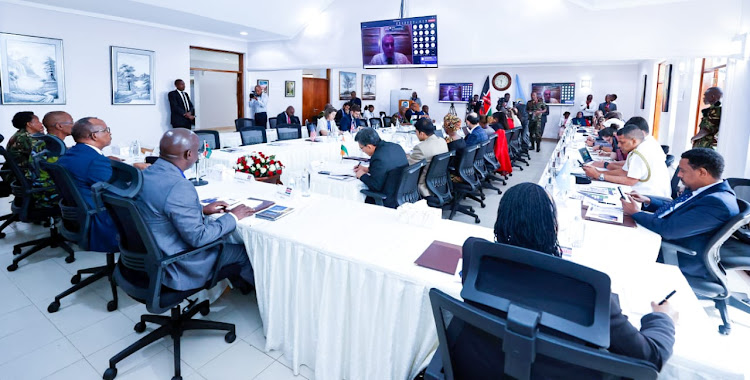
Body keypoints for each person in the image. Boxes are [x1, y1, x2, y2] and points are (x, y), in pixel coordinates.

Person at [450, 182, 677, 378]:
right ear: (553, 227)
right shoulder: (590, 292)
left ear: (500, 221)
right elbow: (651, 357)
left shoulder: (477, 256)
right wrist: (661, 319)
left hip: (478, 369)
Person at [135, 129, 255, 292]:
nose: (199, 156)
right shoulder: (179, 186)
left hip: (151, 254)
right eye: (198, 151)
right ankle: (257, 294)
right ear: (189, 154)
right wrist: (233, 216)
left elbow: (162, 207)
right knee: (242, 251)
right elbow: (199, 238)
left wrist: (201, 209)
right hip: (179, 263)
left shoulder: (147, 172)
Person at [622, 148, 739, 279]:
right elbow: (679, 208)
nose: (679, 175)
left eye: (683, 171)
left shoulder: (717, 204)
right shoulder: (706, 189)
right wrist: (648, 201)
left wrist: (636, 213)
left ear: (702, 172)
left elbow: (669, 230)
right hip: (664, 238)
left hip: (675, 254)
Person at [58, 117, 148, 252]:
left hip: (78, 216)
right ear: (94, 136)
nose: (110, 133)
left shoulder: (72, 153)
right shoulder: (95, 161)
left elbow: (87, 171)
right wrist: (142, 172)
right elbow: (121, 190)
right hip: (102, 219)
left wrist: (106, 160)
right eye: (106, 130)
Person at [583, 124, 671, 197]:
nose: (619, 145)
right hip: (655, 194)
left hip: (650, 197)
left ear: (633, 141)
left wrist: (599, 175)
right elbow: (625, 170)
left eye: (622, 142)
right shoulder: (645, 145)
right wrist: (598, 172)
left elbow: (630, 180)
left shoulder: (639, 153)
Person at [27, 111, 75, 208]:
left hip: (39, 189)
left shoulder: (46, 142)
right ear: (59, 126)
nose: (74, 126)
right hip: (50, 194)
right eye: (71, 123)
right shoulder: (55, 146)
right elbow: (67, 173)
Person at [354, 128, 408, 208]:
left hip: (388, 199)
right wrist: (367, 169)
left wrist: (362, 175)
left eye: (361, 148)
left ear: (369, 147)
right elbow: (388, 168)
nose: (362, 151)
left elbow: (376, 186)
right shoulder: (395, 147)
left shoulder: (377, 157)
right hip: (403, 194)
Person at [408, 118, 448, 197]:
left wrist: (406, 156)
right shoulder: (442, 141)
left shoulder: (420, 148)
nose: (416, 134)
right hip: (441, 183)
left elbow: (409, 166)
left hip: (425, 186)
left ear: (422, 133)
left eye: (416, 132)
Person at [4, 112, 44, 179]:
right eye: (38, 122)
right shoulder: (25, 138)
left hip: (18, 172)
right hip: (22, 175)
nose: (41, 124)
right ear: (29, 124)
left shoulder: (21, 134)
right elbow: (41, 155)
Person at [443, 114, 467, 181]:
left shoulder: (451, 145)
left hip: (454, 174)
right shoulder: (461, 139)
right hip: (462, 172)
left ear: (446, 127)